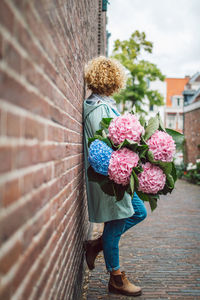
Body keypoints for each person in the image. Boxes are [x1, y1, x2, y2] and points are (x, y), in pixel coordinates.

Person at [83, 56, 147, 297]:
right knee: (117, 221)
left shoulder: (99, 104)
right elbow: (106, 147)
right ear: (114, 81)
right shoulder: (99, 109)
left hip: (114, 175)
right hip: (111, 177)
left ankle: (96, 245)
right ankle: (116, 278)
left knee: (136, 212)